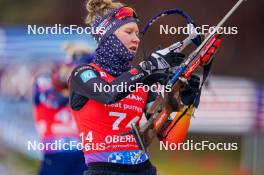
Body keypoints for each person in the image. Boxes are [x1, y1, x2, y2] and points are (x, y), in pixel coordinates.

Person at [68, 0, 206, 174]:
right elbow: (108, 94)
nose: (136, 38)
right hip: (104, 170)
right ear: (107, 35)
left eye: (137, 33)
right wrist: (148, 67)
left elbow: (171, 140)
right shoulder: (83, 73)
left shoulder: (141, 82)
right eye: (128, 31)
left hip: (143, 169)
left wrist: (187, 104)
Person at [33, 51, 94, 175]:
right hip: (55, 155)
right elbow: (56, 99)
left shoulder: (87, 88)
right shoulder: (43, 81)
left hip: (82, 155)